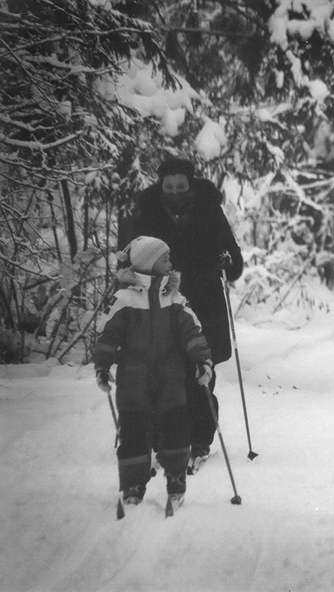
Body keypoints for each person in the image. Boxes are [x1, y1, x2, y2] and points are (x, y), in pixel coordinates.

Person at [119, 157, 243, 471]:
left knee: (199, 374)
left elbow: (234, 258)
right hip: (161, 304)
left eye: (181, 186)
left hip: (204, 304)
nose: (174, 192)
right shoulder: (146, 212)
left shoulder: (209, 209)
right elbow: (127, 255)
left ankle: (200, 440)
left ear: (191, 183)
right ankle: (164, 439)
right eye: (169, 187)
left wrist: (227, 261)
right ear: (161, 185)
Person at [94, 236, 214, 507]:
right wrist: (102, 366)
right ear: (148, 263)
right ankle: (133, 485)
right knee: (134, 431)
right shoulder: (124, 299)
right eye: (165, 259)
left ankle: (176, 477)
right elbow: (107, 335)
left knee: (175, 427)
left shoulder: (173, 297)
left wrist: (201, 361)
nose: (170, 263)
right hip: (132, 380)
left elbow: (192, 332)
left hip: (170, 377)